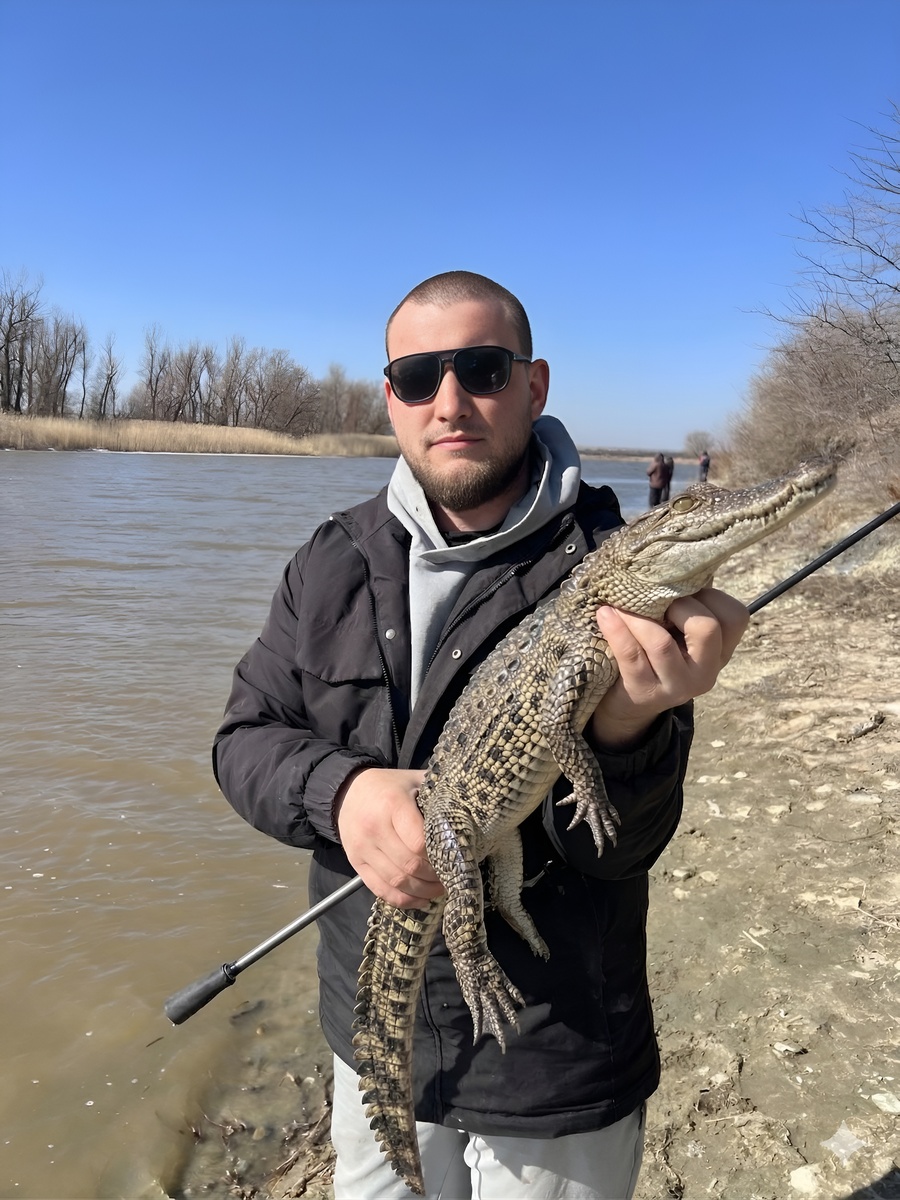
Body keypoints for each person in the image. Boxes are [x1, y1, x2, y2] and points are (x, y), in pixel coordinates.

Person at [212, 271, 749, 1200]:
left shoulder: (617, 571)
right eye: (418, 377)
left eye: (482, 368)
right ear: (391, 399)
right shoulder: (330, 559)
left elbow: (630, 845)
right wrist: (340, 793)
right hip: (371, 1021)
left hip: (556, 1051)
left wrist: (624, 727)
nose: (449, 400)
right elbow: (241, 741)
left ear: (535, 386)